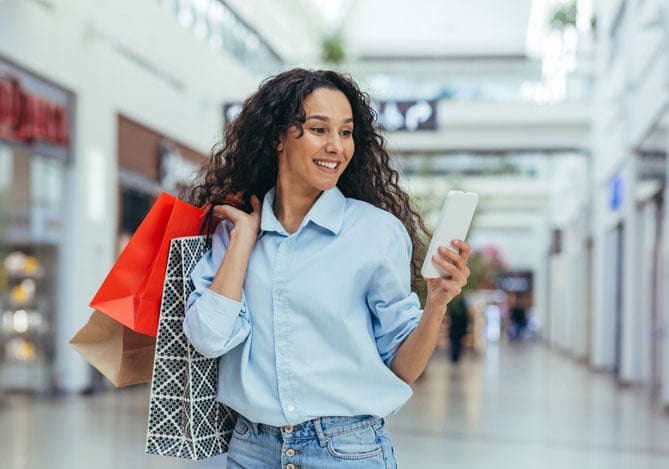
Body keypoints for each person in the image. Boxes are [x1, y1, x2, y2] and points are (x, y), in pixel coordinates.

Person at [183, 68, 471, 468]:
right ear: (277, 137)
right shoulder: (234, 235)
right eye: (319, 129)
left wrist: (437, 303)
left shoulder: (376, 232)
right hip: (250, 450)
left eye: (346, 132)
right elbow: (210, 338)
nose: (336, 146)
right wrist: (244, 240)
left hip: (347, 452)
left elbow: (403, 368)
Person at [447, 295, 469, 363]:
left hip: (457, 327)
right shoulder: (457, 304)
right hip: (456, 327)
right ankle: (455, 357)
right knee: (456, 343)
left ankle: (455, 357)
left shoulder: (458, 304)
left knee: (457, 343)